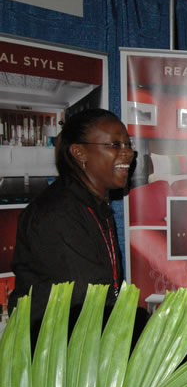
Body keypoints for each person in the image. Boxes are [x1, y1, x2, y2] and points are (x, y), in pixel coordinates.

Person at [9, 109, 136, 336]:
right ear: (79, 152)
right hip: (56, 355)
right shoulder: (59, 212)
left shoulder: (94, 206)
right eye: (115, 145)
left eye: (128, 145)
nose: (128, 153)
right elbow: (86, 301)